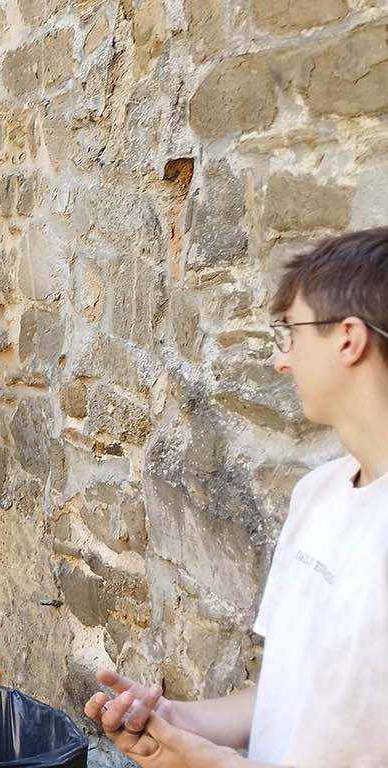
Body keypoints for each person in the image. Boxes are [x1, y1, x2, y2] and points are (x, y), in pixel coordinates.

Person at [84, 227, 388, 768]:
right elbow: (282, 694)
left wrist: (210, 763)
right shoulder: (317, 495)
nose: (280, 362)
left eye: (290, 333)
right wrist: (173, 721)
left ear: (348, 338)